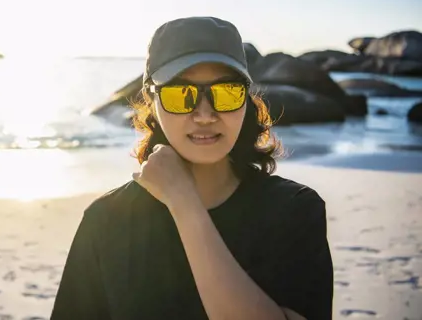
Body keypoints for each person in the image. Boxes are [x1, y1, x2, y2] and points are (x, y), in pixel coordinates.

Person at [50, 17, 334, 320]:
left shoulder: (294, 211)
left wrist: (184, 204)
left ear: (246, 99)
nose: (204, 114)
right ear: (151, 99)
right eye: (180, 95)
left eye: (226, 92)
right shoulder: (107, 220)